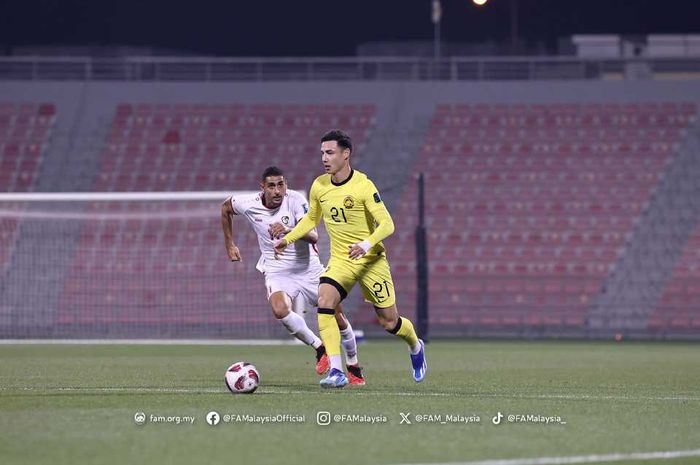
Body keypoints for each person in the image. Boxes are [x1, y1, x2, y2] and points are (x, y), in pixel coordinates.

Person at [274, 130, 426, 388]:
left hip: (371, 260)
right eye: (322, 152)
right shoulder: (319, 185)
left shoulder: (363, 186)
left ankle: (415, 345)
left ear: (346, 154)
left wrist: (366, 244)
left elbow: (388, 224)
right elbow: (311, 219)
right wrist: (287, 238)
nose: (324, 158)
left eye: (330, 152)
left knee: (389, 322)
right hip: (342, 260)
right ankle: (336, 371)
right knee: (325, 301)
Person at [221, 166, 364, 385]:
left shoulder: (296, 200)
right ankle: (319, 347)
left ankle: (353, 364)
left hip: (309, 269)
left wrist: (289, 230)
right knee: (280, 310)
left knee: (338, 317)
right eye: (272, 186)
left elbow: (314, 236)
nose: (278, 191)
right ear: (262, 188)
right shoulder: (248, 203)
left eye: (281, 185)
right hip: (277, 269)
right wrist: (230, 244)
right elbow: (225, 208)